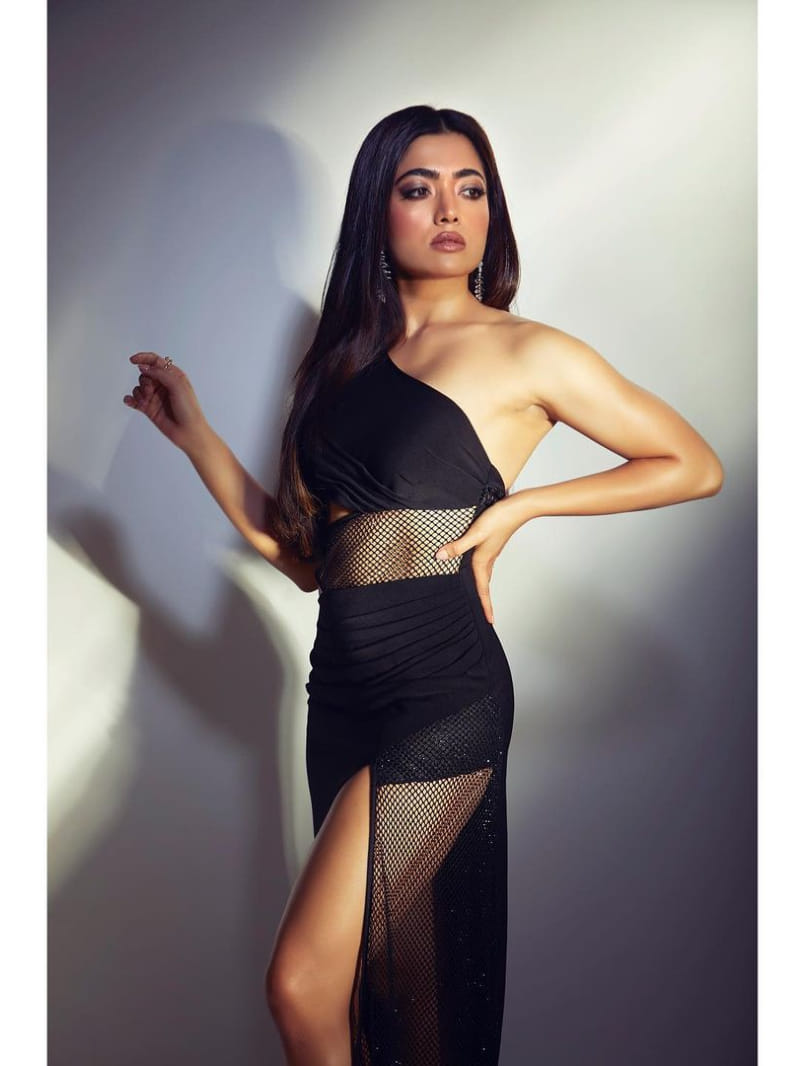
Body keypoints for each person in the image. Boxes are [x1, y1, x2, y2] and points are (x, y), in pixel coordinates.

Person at [122, 104, 724, 1066]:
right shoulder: (339, 368)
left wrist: (520, 510)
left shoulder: (527, 350)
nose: (450, 209)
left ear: (492, 212)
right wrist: (196, 438)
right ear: (378, 211)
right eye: (419, 188)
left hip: (447, 693)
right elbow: (309, 560)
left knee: (301, 984)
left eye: (470, 189)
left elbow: (692, 464)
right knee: (383, 999)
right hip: (340, 695)